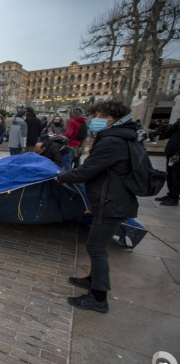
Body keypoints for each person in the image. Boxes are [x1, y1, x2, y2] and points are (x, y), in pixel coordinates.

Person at [56, 101, 138, 313]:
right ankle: (93, 280)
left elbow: (86, 171)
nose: (95, 120)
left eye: (99, 115)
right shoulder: (119, 137)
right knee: (96, 244)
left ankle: (99, 298)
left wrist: (60, 177)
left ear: (113, 117)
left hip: (111, 202)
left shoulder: (113, 141)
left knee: (96, 248)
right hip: (110, 199)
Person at [155, 118, 180, 206]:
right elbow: (165, 135)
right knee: (170, 176)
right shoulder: (177, 127)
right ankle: (170, 195)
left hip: (177, 156)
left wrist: (178, 154)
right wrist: (175, 125)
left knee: (177, 177)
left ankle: (174, 198)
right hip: (170, 154)